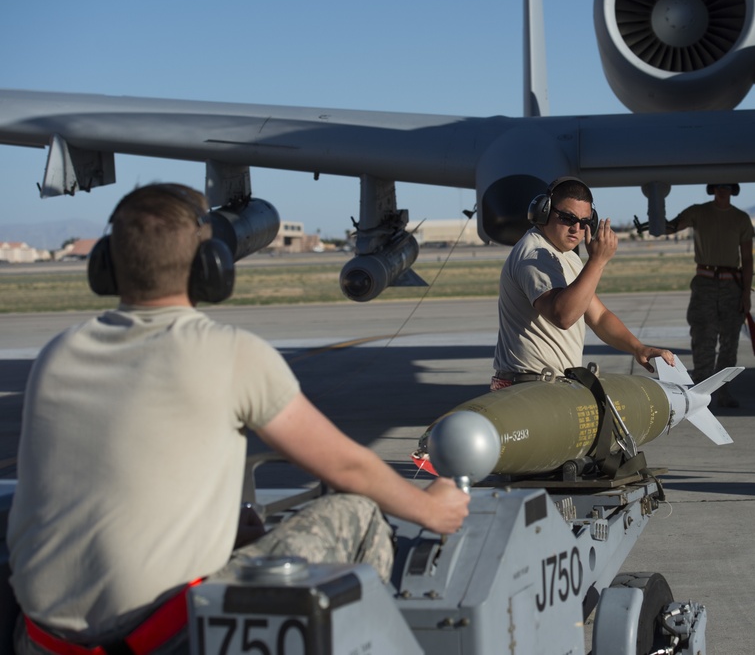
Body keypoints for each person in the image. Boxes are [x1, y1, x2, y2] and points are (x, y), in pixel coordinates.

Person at [7, 183, 469, 655]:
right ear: (212, 268)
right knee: (358, 512)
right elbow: (347, 468)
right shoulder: (228, 353)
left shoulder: (58, 353)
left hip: (40, 641)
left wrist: (219, 533)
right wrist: (432, 509)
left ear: (105, 263)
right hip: (167, 638)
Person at [492, 176, 674, 390]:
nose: (576, 229)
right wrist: (597, 262)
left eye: (585, 223)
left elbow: (598, 316)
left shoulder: (566, 256)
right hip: (528, 388)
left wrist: (637, 348)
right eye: (568, 218)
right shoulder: (534, 256)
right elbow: (563, 316)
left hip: (547, 385)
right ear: (544, 211)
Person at [664, 183, 755, 407]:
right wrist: (655, 214)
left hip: (731, 286)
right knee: (703, 339)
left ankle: (723, 393)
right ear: (712, 189)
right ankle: (701, 396)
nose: (722, 190)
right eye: (718, 186)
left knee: (729, 342)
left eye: (726, 187)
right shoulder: (698, 212)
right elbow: (670, 228)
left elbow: (748, 258)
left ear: (733, 190)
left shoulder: (741, 218)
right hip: (705, 283)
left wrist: (746, 292)